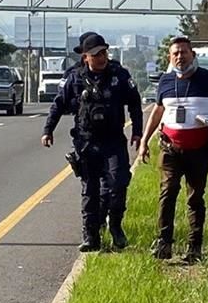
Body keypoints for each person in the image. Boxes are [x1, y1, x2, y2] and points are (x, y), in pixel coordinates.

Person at [138, 36, 208, 264]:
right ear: (170, 57)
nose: (180, 57)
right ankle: (163, 242)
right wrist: (145, 140)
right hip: (170, 148)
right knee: (168, 192)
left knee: (195, 198)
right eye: (175, 53)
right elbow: (157, 113)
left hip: (199, 149)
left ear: (192, 55)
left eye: (184, 52)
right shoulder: (165, 82)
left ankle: (194, 247)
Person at [42, 33, 143, 252]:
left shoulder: (119, 75)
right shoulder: (74, 78)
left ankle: (115, 226)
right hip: (86, 142)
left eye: (104, 52)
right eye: (96, 54)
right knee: (90, 190)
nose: (102, 57)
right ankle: (91, 235)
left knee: (118, 183)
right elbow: (58, 104)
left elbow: (135, 103)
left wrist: (138, 132)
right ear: (86, 57)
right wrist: (48, 130)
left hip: (113, 141)